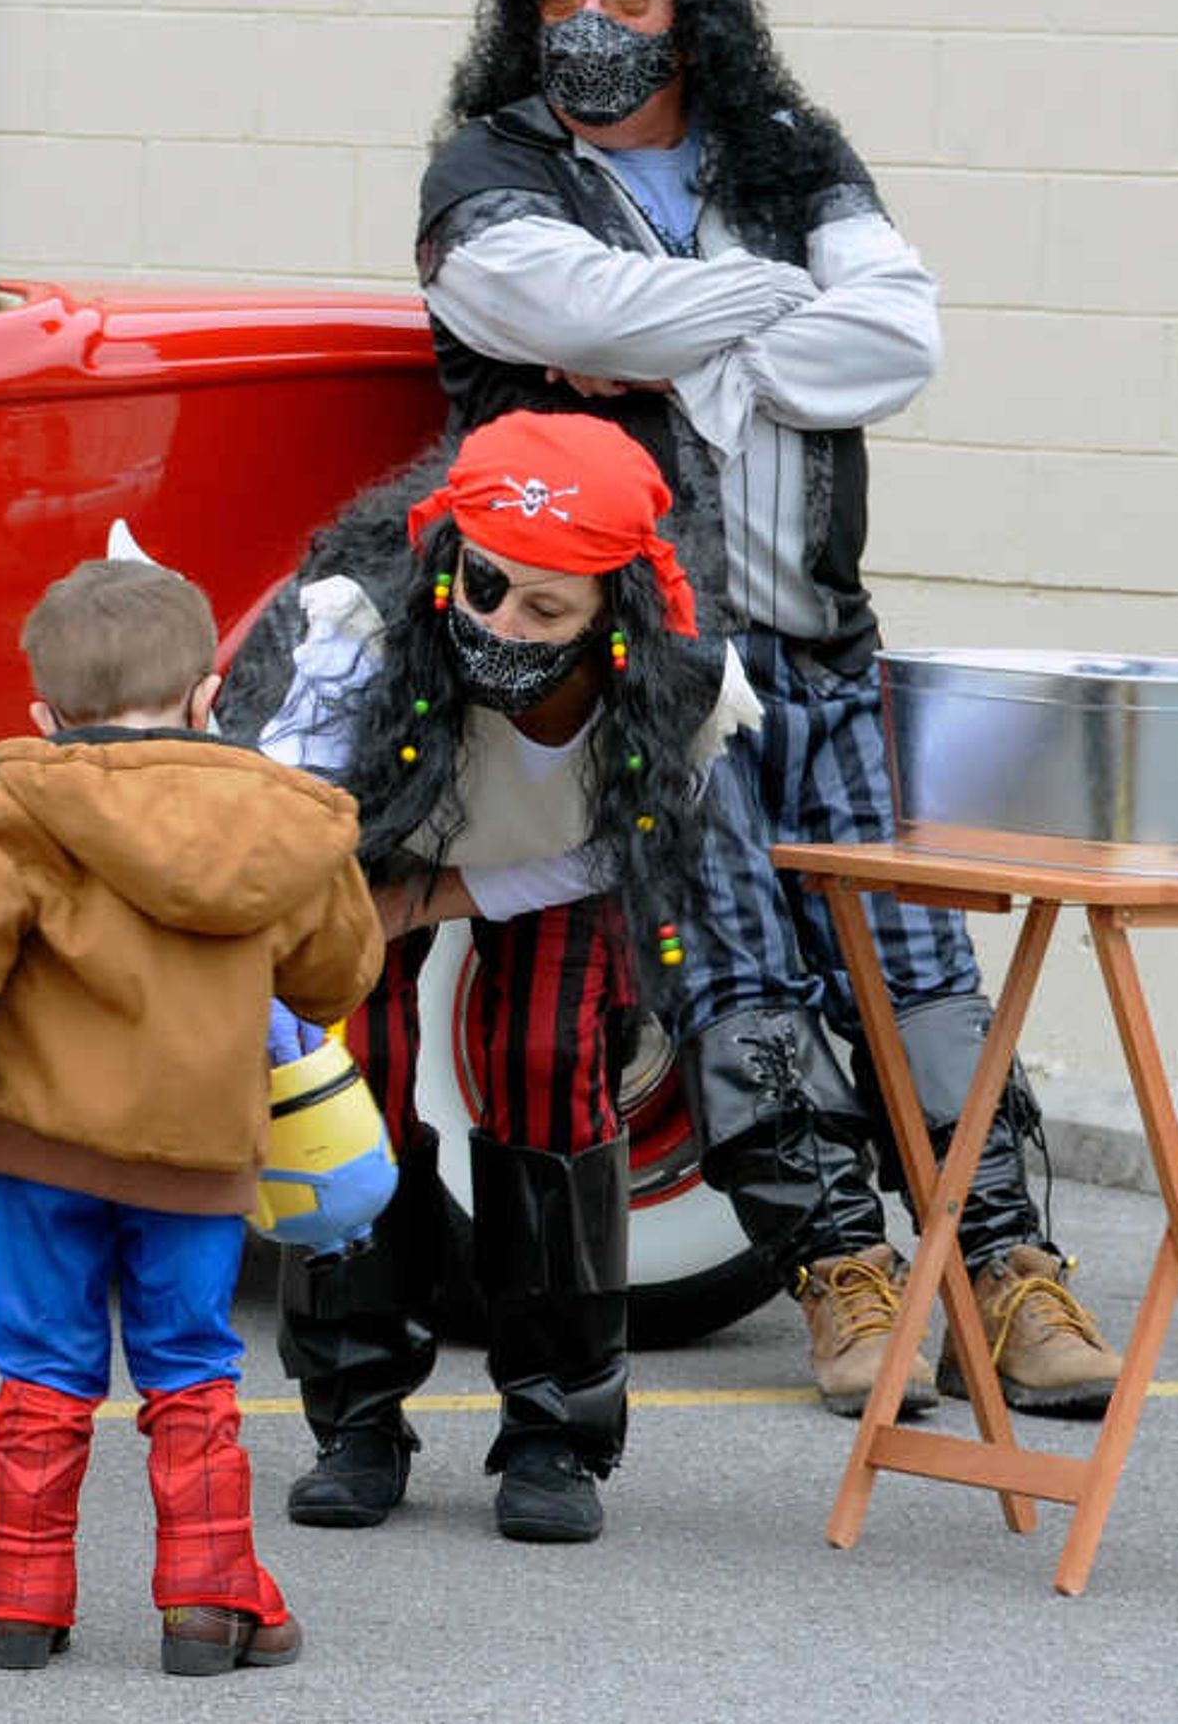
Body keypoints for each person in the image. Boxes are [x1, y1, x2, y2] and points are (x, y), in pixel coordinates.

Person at [416, 0, 1121, 1418]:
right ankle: (847, 1284)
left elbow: (901, 345)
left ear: (701, 15)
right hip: (662, 664)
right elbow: (563, 311)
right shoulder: (491, 170)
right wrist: (770, 305)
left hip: (827, 644)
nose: (593, 18)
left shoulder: (799, 160)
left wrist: (676, 330)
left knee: (918, 966)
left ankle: (1006, 1269)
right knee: (737, 972)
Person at [0, 556, 382, 1676]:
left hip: (46, 1148)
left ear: (44, 713)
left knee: (42, 1362)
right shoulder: (280, 819)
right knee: (191, 1359)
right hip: (198, 1151)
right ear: (205, 696)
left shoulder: (17, 804)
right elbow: (336, 975)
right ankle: (209, 1598)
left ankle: (24, 1598)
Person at [251, 412, 756, 1547]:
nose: (501, 623)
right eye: (484, 587)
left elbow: (617, 847)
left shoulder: (673, 681)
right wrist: (339, 903)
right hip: (373, 843)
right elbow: (294, 793)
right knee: (353, 1083)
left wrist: (435, 902)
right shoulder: (368, 622)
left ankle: (555, 1432)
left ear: (609, 608)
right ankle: (359, 1419)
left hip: (553, 865)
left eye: (545, 609)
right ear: (450, 554)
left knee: (546, 1065)